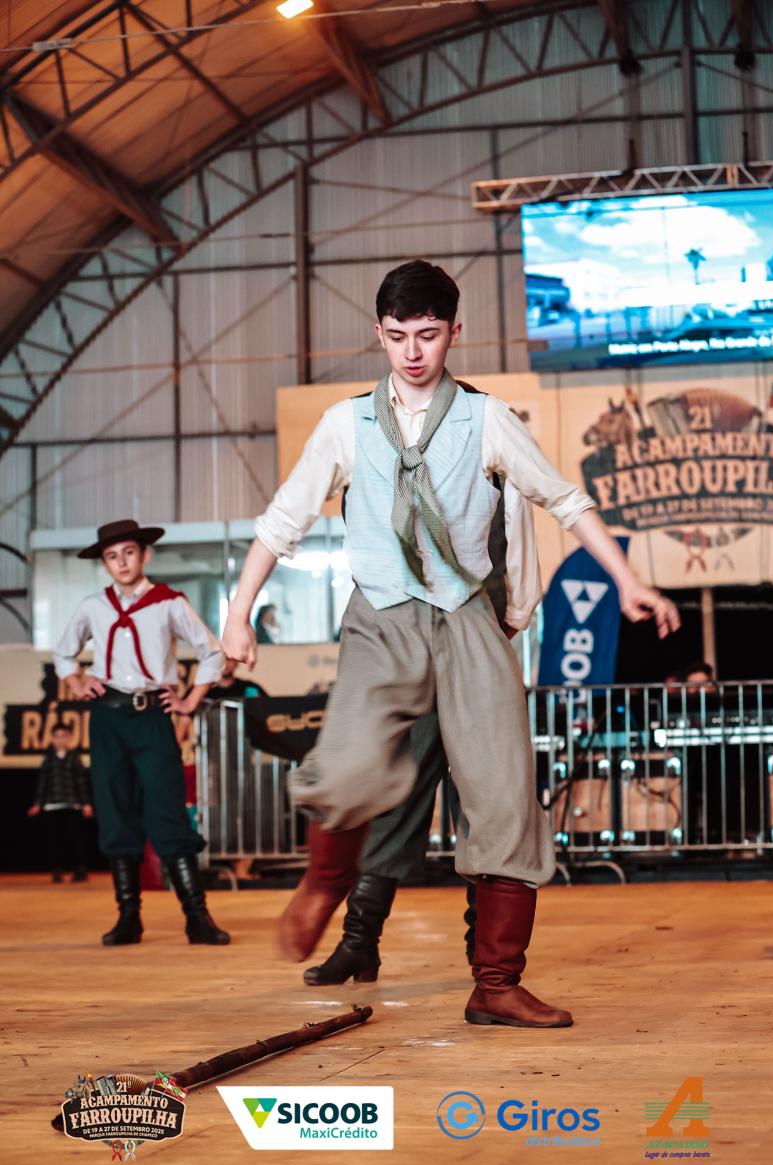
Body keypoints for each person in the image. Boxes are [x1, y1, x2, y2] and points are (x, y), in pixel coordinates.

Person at [223, 260, 679, 1029]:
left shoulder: (486, 419)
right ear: (379, 334)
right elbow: (281, 521)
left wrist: (627, 580)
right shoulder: (345, 424)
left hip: (467, 615)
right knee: (352, 763)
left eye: (428, 335)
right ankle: (326, 883)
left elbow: (564, 500)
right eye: (398, 336)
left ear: (453, 332)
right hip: (382, 615)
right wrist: (239, 614)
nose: (413, 352)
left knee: (505, 794)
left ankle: (495, 984)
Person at [304, 463, 539, 986]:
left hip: (471, 654)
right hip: (411, 655)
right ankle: (359, 942)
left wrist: (504, 629)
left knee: (490, 808)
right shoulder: (383, 460)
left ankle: (485, 958)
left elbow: (519, 553)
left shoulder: (496, 465)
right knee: (394, 800)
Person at [53, 518, 230, 947]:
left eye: (129, 553)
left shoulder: (169, 603)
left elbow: (212, 651)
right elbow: (64, 653)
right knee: (116, 812)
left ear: (145, 555)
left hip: (152, 716)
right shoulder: (93, 606)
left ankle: (197, 918)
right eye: (112, 557)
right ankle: (128, 918)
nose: (122, 563)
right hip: (107, 718)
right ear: (105, 564)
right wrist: (76, 681)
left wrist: (190, 699)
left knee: (167, 810)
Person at [27, 721, 93, 883]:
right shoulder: (49, 759)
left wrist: (86, 803)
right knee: (55, 840)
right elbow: (43, 782)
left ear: (70, 738)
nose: (60, 739)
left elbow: (81, 782)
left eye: (64, 736)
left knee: (75, 839)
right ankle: (57, 870)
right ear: (52, 739)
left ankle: (80, 869)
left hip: (72, 804)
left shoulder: (74, 758)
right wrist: (37, 803)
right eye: (57, 736)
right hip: (52, 805)